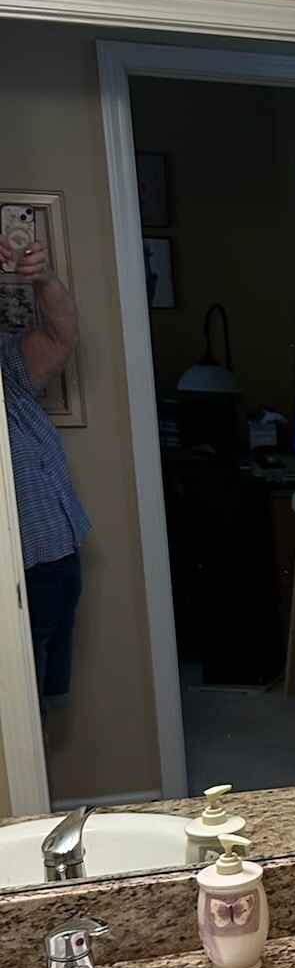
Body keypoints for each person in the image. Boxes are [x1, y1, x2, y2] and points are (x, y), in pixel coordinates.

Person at [0, 235, 88, 728]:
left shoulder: (6, 366)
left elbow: (62, 335)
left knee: (40, 716)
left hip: (55, 560)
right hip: (14, 575)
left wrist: (43, 279)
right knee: (17, 728)